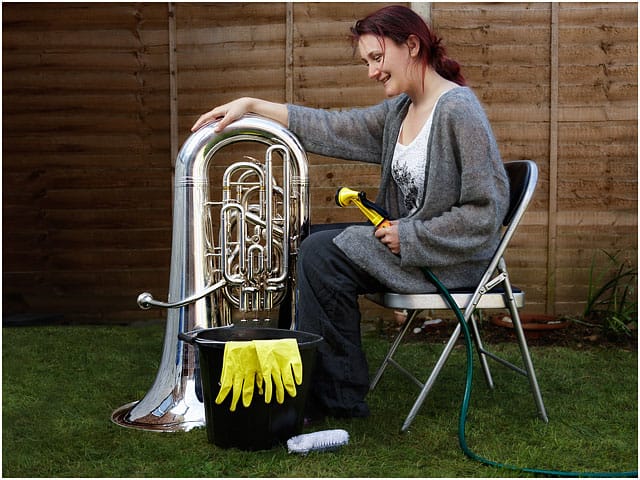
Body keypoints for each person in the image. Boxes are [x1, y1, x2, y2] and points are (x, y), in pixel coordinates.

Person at [192, 5, 509, 420]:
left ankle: (337, 400)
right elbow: (335, 127)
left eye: (377, 58)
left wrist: (413, 237)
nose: (372, 72)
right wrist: (253, 105)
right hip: (411, 247)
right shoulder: (401, 111)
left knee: (323, 256)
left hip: (451, 261)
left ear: (412, 45)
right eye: (367, 62)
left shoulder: (457, 110)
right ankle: (311, 381)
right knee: (309, 241)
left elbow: (486, 211)